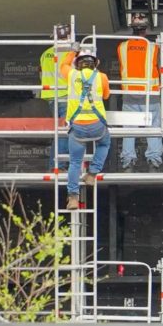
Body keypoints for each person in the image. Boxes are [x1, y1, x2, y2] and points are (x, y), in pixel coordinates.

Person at [63, 43, 112, 211]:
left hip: (77, 127)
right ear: (94, 64)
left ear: (78, 63)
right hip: (97, 125)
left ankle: (73, 198)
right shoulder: (102, 77)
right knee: (104, 143)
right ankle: (92, 174)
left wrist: (72, 51)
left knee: (75, 162)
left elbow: (63, 65)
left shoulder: (71, 75)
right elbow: (106, 95)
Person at [117, 14, 163, 172]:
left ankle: (128, 163)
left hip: (129, 95)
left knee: (129, 130)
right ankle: (154, 162)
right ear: (146, 29)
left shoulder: (122, 47)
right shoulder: (154, 47)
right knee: (154, 128)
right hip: (150, 95)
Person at [39, 43, 75, 170]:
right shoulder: (69, 53)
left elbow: (41, 73)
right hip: (64, 95)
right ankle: (58, 166)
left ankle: (55, 165)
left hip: (50, 96)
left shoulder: (46, 52)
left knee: (59, 132)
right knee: (64, 132)